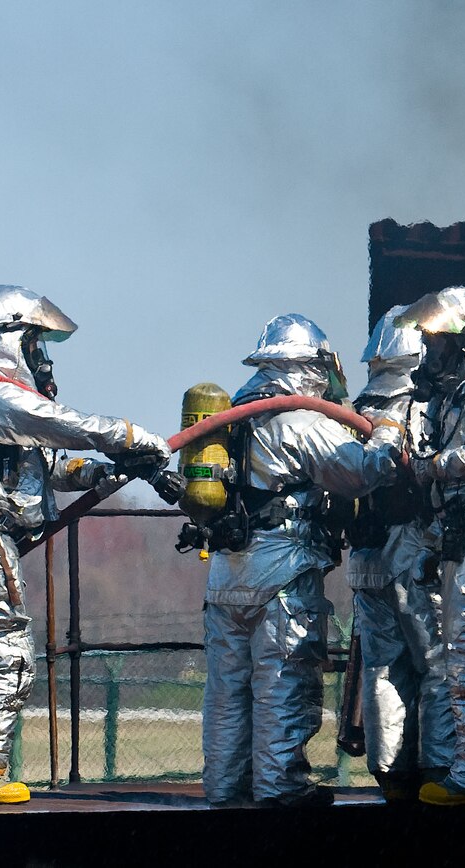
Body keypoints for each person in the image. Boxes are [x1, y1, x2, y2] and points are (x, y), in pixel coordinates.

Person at [0, 285, 170, 804]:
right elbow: (64, 425)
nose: (41, 358)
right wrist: (137, 439)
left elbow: (41, 464)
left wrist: (103, 473)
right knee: (7, 652)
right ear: (11, 339)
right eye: (36, 344)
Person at [160, 314, 407, 808]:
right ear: (312, 366)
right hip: (283, 577)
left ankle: (226, 788)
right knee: (283, 682)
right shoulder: (302, 421)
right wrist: (386, 430)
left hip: (226, 575)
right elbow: (362, 473)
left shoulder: (231, 416)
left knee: (227, 693)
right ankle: (281, 788)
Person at [345, 306, 450, 801]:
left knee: (383, 667)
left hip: (365, 558)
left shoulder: (357, 407)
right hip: (414, 552)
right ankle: (438, 770)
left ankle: (390, 773)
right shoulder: (424, 403)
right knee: (435, 662)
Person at [399, 287, 465, 807]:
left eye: (437, 340)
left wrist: (436, 465)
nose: (429, 350)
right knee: (462, 661)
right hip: (461, 545)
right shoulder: (448, 395)